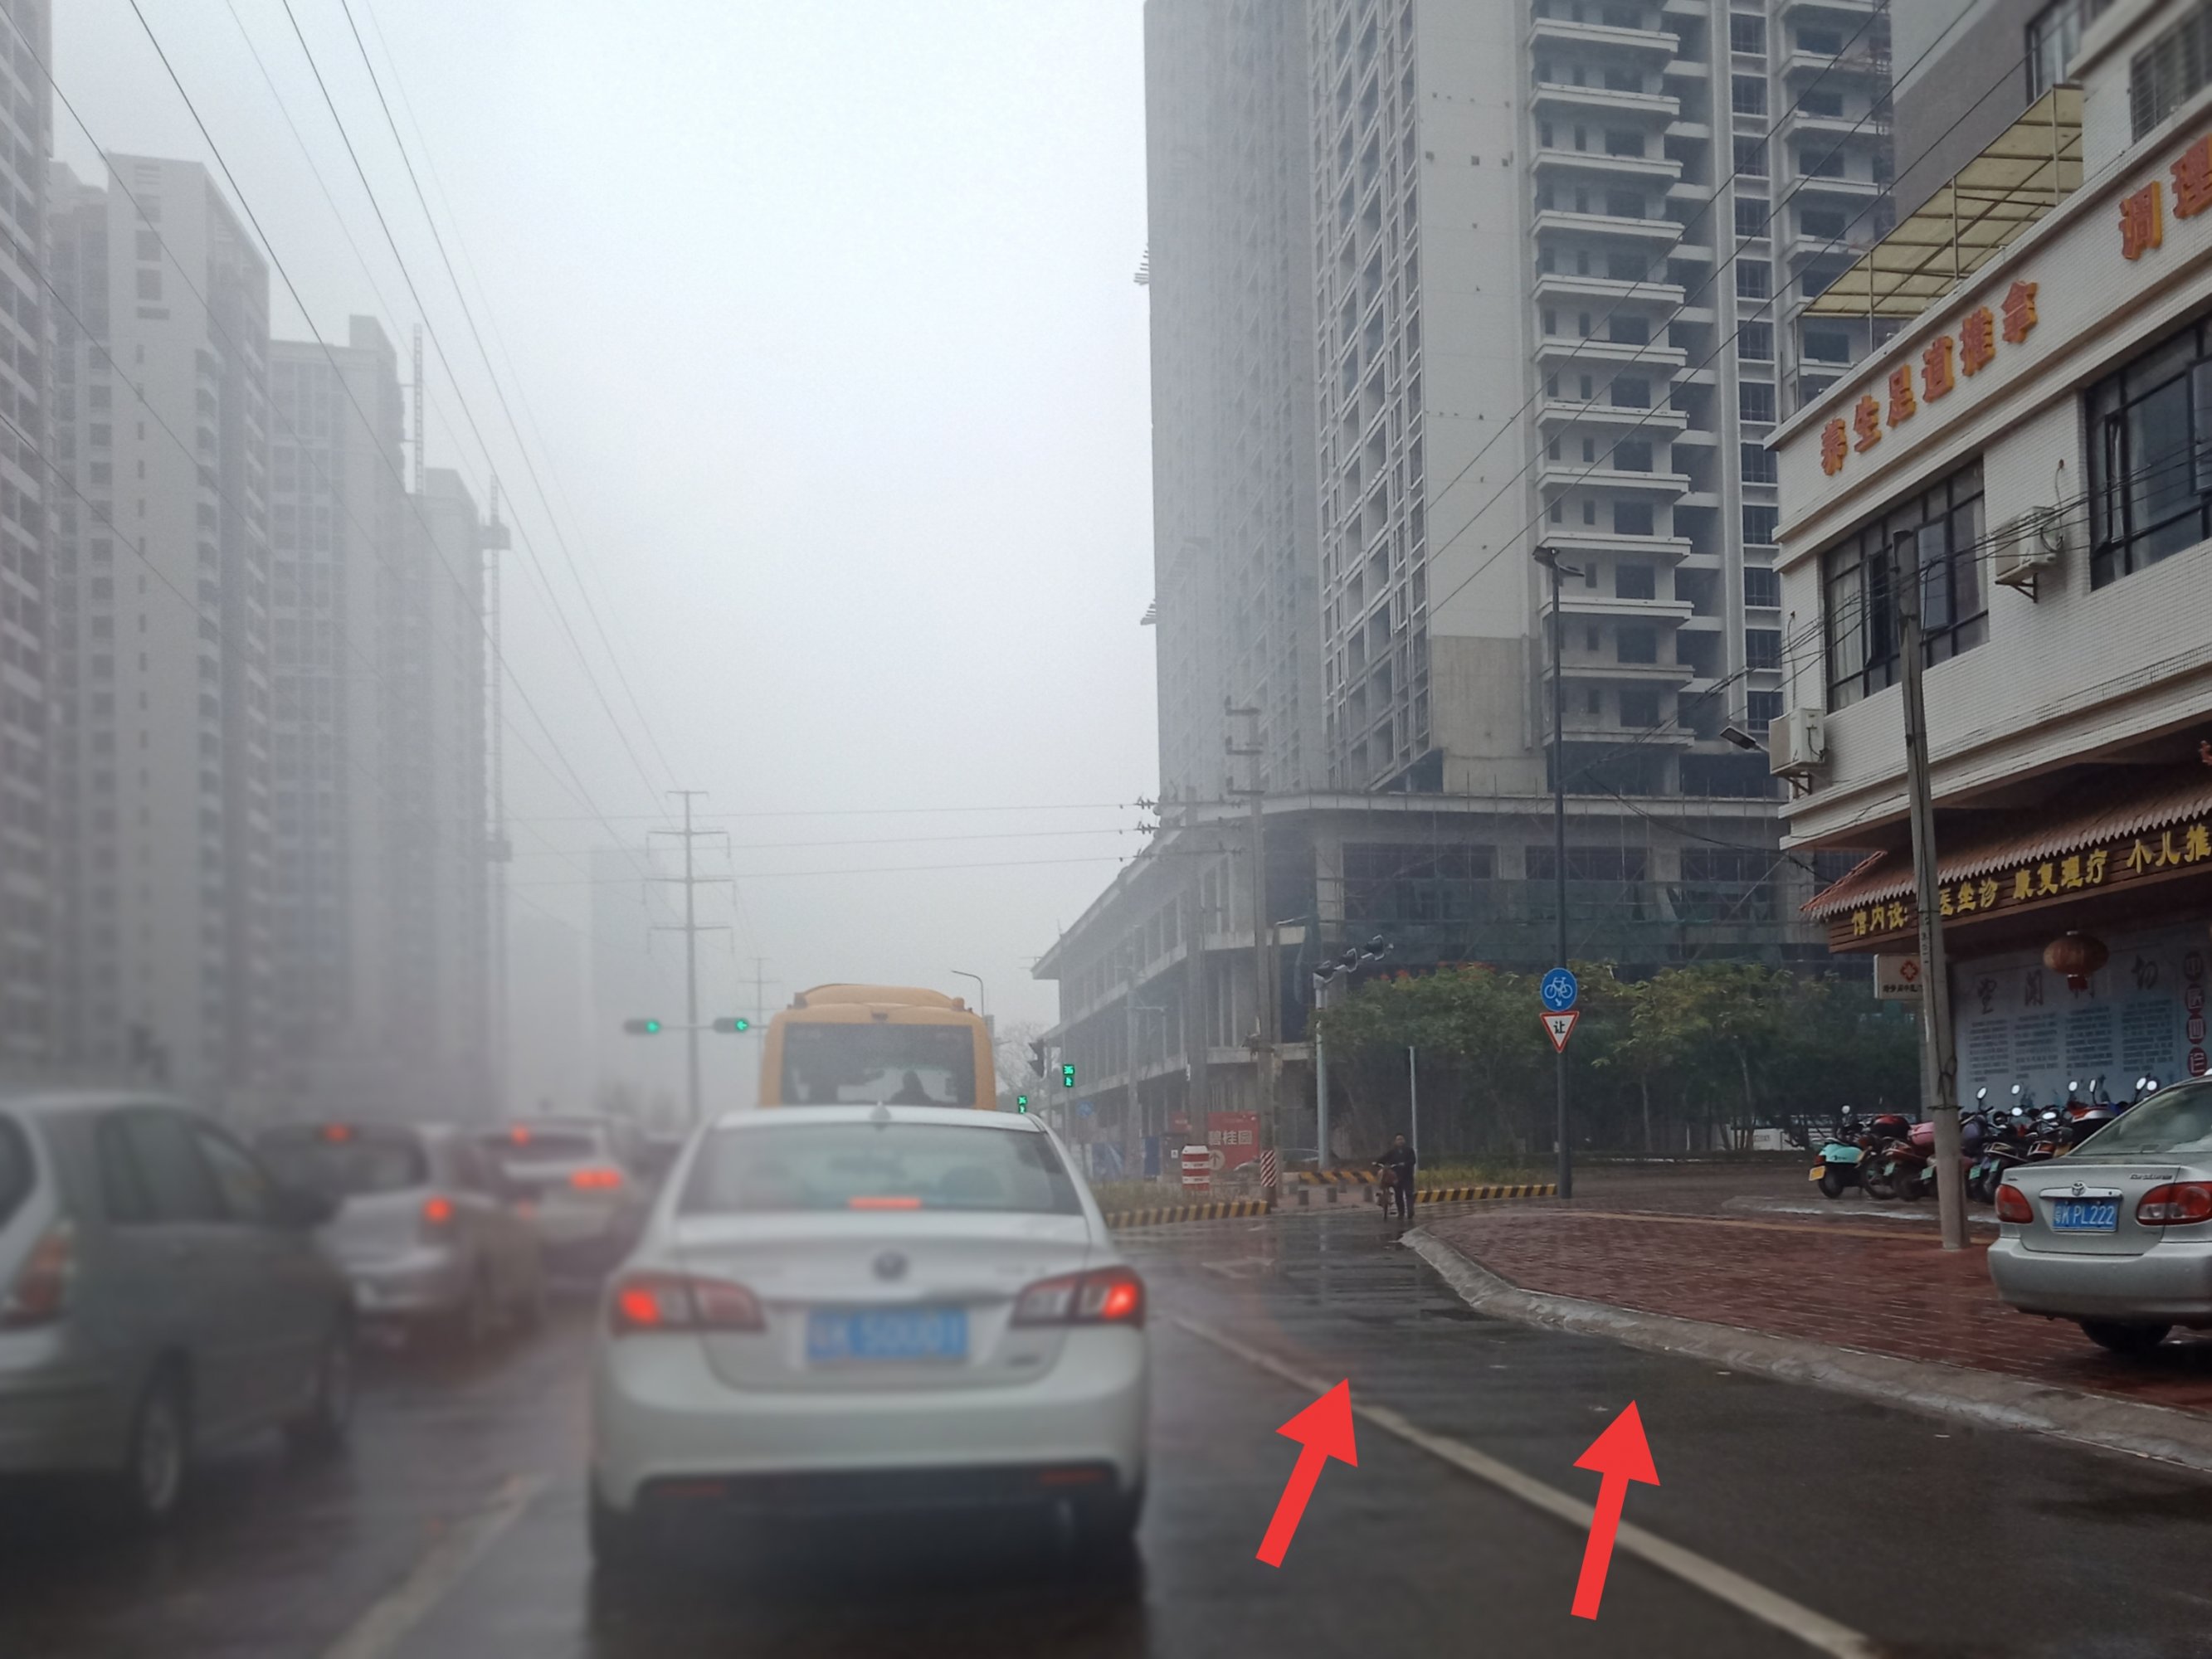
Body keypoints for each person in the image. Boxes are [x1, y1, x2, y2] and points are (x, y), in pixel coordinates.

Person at [1378, 1134, 1417, 1220]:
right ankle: (1401, 1212)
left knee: (1409, 1193)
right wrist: (1377, 1162)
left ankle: (1410, 1210)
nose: (1400, 1141)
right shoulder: (1392, 1152)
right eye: (1398, 1140)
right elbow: (1384, 1158)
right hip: (1396, 1176)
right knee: (1398, 1195)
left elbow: (1413, 1161)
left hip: (1408, 1176)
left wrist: (1405, 1164)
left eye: (1401, 1139)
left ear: (1404, 1141)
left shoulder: (1409, 1150)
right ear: (1395, 1142)